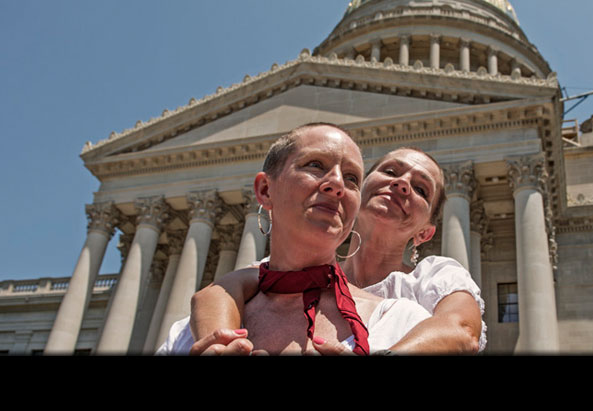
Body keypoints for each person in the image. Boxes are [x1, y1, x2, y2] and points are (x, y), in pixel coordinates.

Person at [157, 123, 430, 355]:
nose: (336, 183)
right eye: (315, 165)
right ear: (265, 190)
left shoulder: (402, 322)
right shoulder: (190, 334)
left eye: (351, 179)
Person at [187, 145, 486, 355]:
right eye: (390, 171)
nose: (401, 184)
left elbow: (461, 330)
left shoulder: (432, 276)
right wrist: (223, 345)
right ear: (356, 194)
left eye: (421, 189)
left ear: (425, 233)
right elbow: (219, 291)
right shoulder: (308, 268)